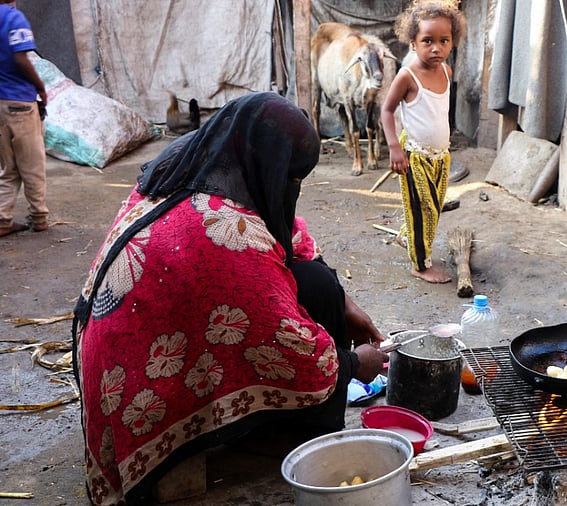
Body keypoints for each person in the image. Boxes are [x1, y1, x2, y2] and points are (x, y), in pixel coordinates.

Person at [71, 92, 389, 505]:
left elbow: (290, 232)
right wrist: (352, 364)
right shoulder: (225, 231)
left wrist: (344, 301)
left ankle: (275, 423)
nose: (290, 189)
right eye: (291, 178)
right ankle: (285, 435)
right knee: (304, 324)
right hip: (134, 386)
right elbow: (297, 349)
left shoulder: (196, 161)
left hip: (120, 347)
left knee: (321, 283)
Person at [381, 0, 466, 284]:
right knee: (422, 211)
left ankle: (407, 238)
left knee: (434, 206)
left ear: (453, 41)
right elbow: (387, 110)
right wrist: (394, 147)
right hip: (414, 155)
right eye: (427, 41)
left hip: (441, 156)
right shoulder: (408, 76)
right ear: (413, 42)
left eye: (444, 41)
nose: (436, 48)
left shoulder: (446, 72)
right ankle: (419, 264)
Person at [0, 0, 49, 237]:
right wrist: (40, 87)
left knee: (8, 168)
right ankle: (38, 217)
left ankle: (2, 219)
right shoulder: (12, 17)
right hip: (19, 101)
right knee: (32, 165)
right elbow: (21, 59)